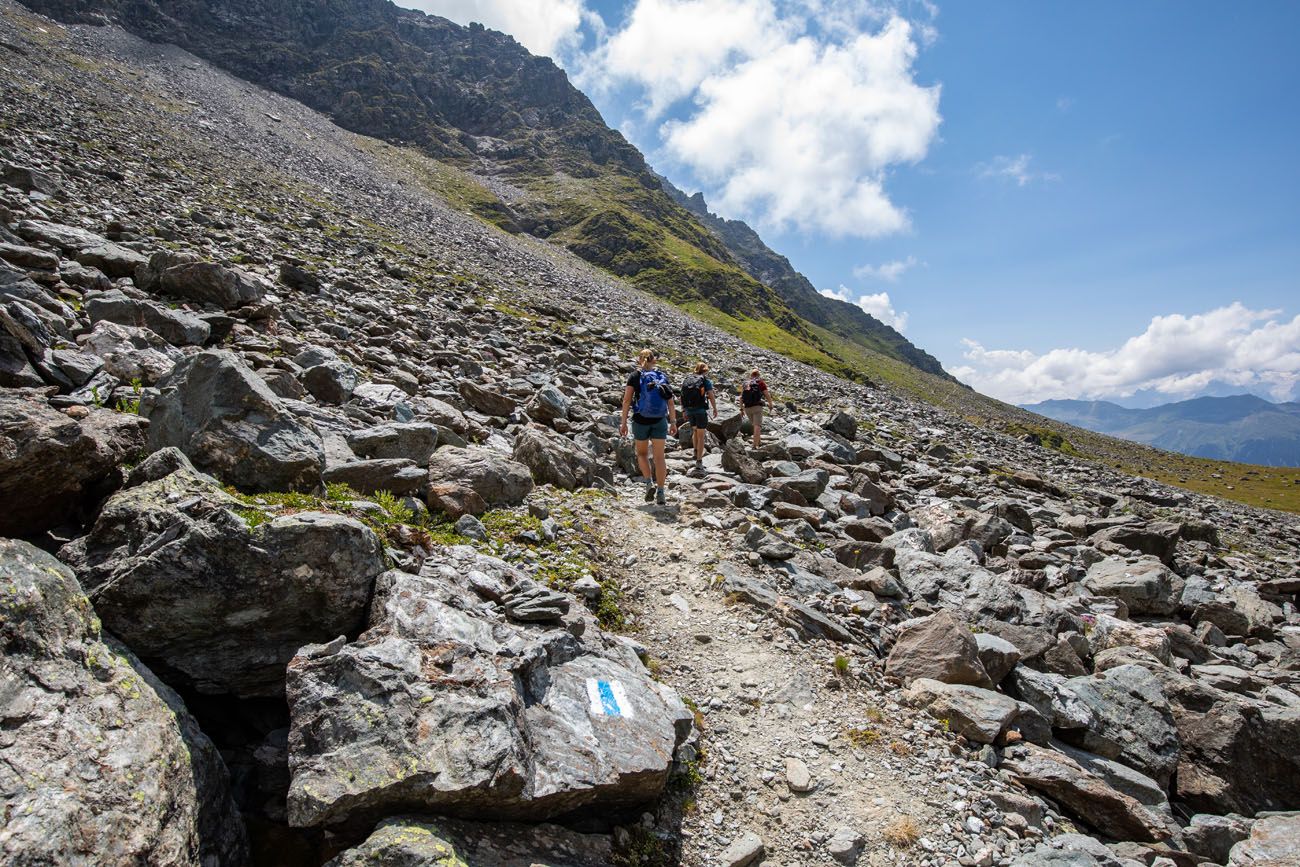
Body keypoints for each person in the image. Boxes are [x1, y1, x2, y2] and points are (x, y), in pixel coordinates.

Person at [620, 348, 678, 505]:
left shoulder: (634, 376)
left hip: (640, 420)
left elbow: (626, 401)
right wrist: (673, 422)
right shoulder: (661, 377)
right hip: (659, 420)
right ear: (654, 360)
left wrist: (623, 422)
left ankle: (648, 483)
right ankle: (661, 492)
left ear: (640, 360)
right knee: (659, 457)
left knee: (642, 454)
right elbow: (670, 402)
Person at [679, 362, 718, 472]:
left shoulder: (688, 379)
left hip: (689, 409)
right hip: (700, 410)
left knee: (695, 430)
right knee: (701, 434)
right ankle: (699, 461)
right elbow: (710, 395)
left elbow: (681, 395)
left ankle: (695, 452)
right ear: (705, 370)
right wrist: (714, 408)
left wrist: (683, 409)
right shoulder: (705, 381)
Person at [740, 368, 773, 449]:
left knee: (754, 425)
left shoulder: (746, 383)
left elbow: (741, 398)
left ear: (751, 375)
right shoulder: (761, 383)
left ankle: (759, 442)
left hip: (747, 408)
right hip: (757, 407)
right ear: (758, 375)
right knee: (757, 426)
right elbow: (766, 394)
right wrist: (770, 404)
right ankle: (755, 446)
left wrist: (741, 409)